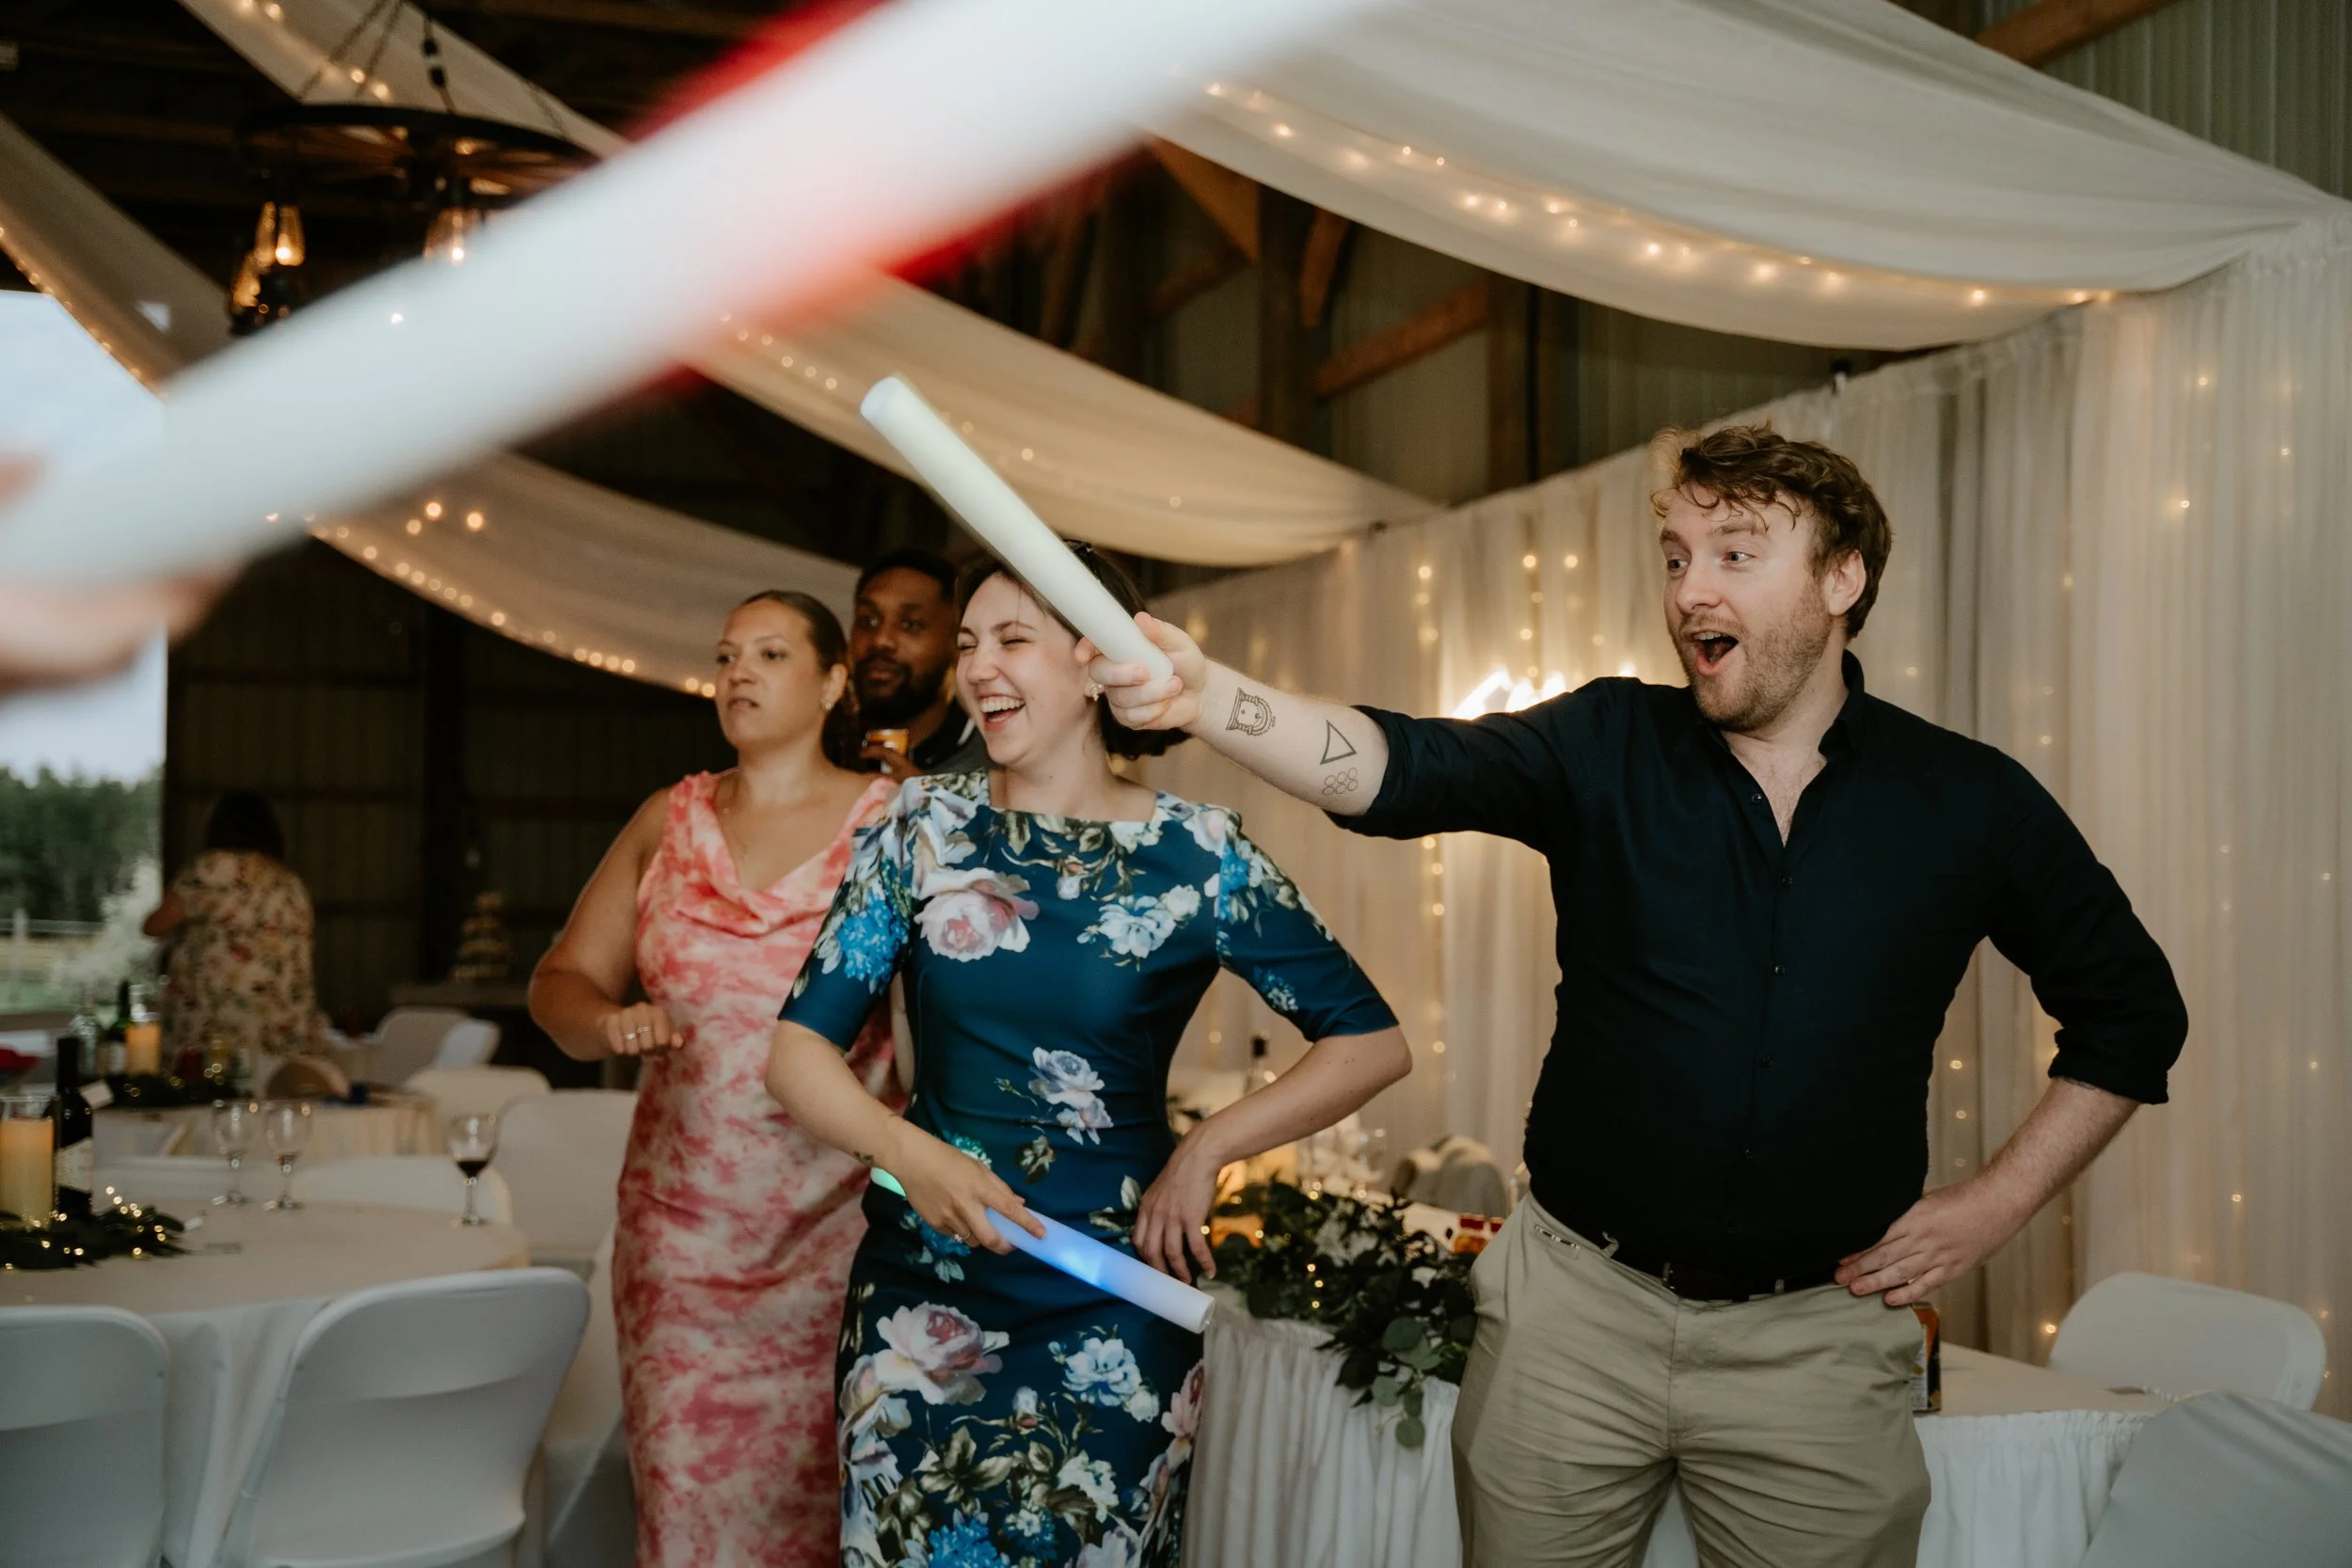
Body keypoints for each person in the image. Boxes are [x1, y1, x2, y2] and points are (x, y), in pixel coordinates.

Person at [1091, 425, 2189, 1568]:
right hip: (1573, 1316)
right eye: (1674, 556)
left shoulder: (1967, 799)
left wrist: (1996, 1202)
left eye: (1732, 554)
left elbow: (2132, 1010)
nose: (1687, 589)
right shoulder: (1606, 740)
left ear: (1840, 577)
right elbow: (1396, 765)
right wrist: (1211, 695)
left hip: (1816, 1344)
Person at [766, 547, 1410, 1568]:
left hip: (1114, 1308)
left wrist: (1206, 1153)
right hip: (919, 1303)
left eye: (1013, 640)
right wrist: (910, 1151)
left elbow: (1370, 1040)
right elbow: (797, 1050)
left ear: (1096, 659)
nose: (980, 668)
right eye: (968, 643)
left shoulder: (1199, 851)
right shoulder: (920, 827)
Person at [528, 590, 899, 1568]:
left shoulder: (893, 827)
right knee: (691, 1533)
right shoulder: (668, 818)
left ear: (831, 682)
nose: (737, 672)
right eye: (726, 654)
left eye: (769, 654)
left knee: (833, 1532)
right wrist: (607, 1019)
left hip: (840, 1246)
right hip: (681, 1257)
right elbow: (558, 982)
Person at [145, 790, 319, 1057]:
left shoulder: (212, 870)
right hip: (280, 1032)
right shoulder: (290, 884)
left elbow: (154, 925)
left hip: (216, 1032)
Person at [849, 546, 989, 778]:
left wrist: (929, 804)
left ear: (957, 642)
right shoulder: (818, 749)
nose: (881, 640)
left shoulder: (993, 766)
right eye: (868, 620)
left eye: (910, 625)